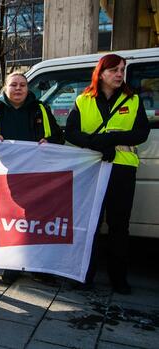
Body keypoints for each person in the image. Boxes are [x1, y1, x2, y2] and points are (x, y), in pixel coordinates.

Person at [65, 53, 149, 294]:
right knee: (90, 224)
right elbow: (71, 132)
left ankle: (118, 279)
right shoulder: (83, 100)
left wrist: (112, 138)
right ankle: (84, 275)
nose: (119, 74)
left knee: (119, 225)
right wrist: (98, 144)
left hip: (123, 168)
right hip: (93, 167)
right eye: (114, 70)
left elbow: (141, 133)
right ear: (100, 73)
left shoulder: (132, 100)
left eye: (122, 69)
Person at [0, 71, 64, 284]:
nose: (18, 89)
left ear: (28, 88)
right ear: (5, 87)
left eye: (22, 85)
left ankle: (38, 267)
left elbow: (59, 139)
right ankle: (12, 265)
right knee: (11, 222)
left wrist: (48, 141)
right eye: (13, 84)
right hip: (5, 176)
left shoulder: (40, 109)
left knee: (36, 221)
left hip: (36, 175)